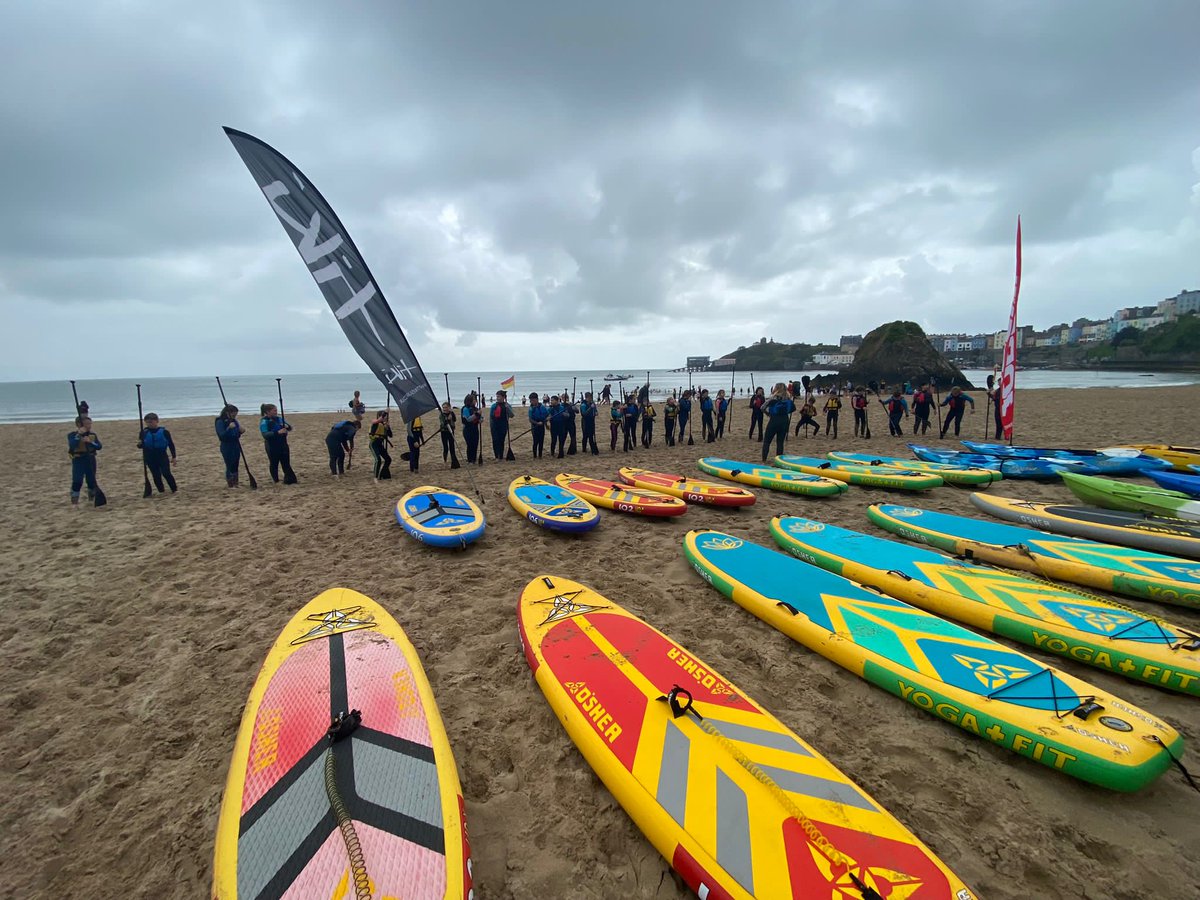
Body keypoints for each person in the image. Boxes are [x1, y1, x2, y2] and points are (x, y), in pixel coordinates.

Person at [138, 412, 178, 494]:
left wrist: (174, 457)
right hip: (150, 456)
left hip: (162, 455)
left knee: (166, 473)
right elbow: (140, 445)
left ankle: (174, 489)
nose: (149, 424)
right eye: (147, 422)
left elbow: (171, 444)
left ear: (157, 421)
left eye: (151, 422)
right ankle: (161, 490)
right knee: (156, 475)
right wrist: (140, 445)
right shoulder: (144, 432)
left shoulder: (164, 432)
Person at [68, 416, 103, 505]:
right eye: (87, 424)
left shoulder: (92, 435)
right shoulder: (72, 435)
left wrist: (90, 442)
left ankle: (92, 498)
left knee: (91, 479)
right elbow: (72, 445)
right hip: (78, 459)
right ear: (79, 425)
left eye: (90, 424)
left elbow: (99, 446)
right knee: (77, 480)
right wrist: (78, 435)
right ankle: (74, 499)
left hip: (90, 458)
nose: (89, 426)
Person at [259, 404, 297, 485]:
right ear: (268, 412)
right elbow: (265, 434)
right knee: (274, 463)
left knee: (286, 462)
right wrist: (277, 432)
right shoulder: (264, 422)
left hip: (283, 443)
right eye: (274, 410)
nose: (276, 412)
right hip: (272, 445)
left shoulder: (279, 419)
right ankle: (275, 480)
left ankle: (289, 478)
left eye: (276, 410)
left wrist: (287, 426)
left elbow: (289, 428)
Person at [761, 383, 794, 462]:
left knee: (767, 441)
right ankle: (779, 459)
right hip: (785, 420)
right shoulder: (788, 399)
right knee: (780, 442)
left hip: (774, 420)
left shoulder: (773, 398)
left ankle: (764, 459)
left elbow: (762, 407)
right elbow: (792, 409)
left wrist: (768, 414)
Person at [215, 404, 245, 488]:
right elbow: (221, 435)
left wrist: (240, 431)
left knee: (236, 463)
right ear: (227, 413)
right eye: (233, 414)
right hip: (226, 445)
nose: (234, 416)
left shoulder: (234, 421)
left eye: (235, 414)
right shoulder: (220, 421)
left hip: (235, 444)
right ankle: (230, 483)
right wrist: (229, 428)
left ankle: (236, 482)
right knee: (229, 464)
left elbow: (237, 432)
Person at [489, 389, 514, 459]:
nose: (497, 398)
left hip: (503, 425)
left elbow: (512, 415)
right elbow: (491, 416)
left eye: (499, 396)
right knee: (495, 440)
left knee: (501, 440)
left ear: (503, 397)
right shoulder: (494, 406)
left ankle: (501, 455)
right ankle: (496, 455)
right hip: (495, 425)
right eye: (497, 397)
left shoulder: (507, 405)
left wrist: (507, 408)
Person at [369, 410, 393, 479]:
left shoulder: (384, 425)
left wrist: (388, 428)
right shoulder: (375, 423)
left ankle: (382, 473)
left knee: (388, 459)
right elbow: (378, 420)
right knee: (378, 459)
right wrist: (386, 412)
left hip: (380, 444)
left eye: (386, 417)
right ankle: (375, 477)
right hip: (374, 444)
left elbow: (390, 435)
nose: (385, 418)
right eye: (384, 417)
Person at [461, 392, 481, 463]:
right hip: (467, 429)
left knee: (475, 444)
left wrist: (480, 418)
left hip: (475, 428)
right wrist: (476, 414)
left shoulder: (475, 408)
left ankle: (474, 459)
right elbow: (468, 419)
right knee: (470, 444)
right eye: (474, 400)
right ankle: (470, 459)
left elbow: (480, 418)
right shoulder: (465, 409)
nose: (475, 401)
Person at [439, 401, 459, 467]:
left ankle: (454, 461)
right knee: (445, 447)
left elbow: (455, 420)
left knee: (452, 446)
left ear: (449, 407)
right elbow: (443, 423)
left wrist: (451, 415)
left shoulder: (451, 413)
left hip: (451, 431)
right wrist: (447, 419)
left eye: (446, 407)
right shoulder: (441, 415)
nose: (445, 409)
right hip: (444, 432)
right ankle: (445, 461)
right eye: (443, 408)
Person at [528, 394, 549, 458]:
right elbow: (530, 419)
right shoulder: (531, 409)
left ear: (537, 399)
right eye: (531, 401)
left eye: (533, 400)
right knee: (535, 441)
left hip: (542, 425)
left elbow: (546, 415)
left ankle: (540, 455)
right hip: (535, 426)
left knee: (541, 441)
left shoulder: (542, 407)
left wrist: (546, 423)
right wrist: (537, 423)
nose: (532, 402)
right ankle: (535, 455)